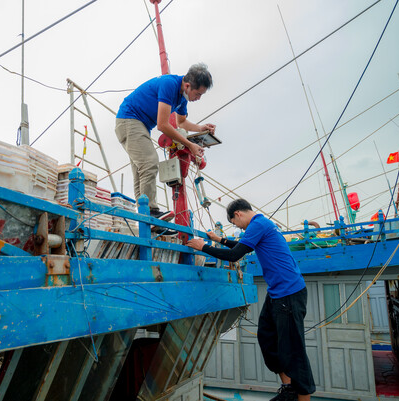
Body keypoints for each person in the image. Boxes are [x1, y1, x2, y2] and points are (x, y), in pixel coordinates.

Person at [187, 199, 315, 401]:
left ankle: (302, 397)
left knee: (294, 348)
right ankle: (288, 387)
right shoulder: (259, 225)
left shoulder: (258, 224)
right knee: (266, 336)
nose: (237, 226)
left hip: (289, 293)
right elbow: (241, 246)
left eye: (234, 222)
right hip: (278, 293)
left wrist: (203, 247)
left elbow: (234, 255)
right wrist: (218, 239)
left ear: (237, 214)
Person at [115, 63, 216, 218]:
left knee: (140, 171)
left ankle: (143, 214)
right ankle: (150, 211)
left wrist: (201, 128)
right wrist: (190, 145)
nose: (198, 98)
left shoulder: (182, 99)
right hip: (129, 120)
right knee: (149, 162)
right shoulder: (169, 84)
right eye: (198, 94)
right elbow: (162, 125)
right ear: (188, 85)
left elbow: (181, 122)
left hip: (139, 125)